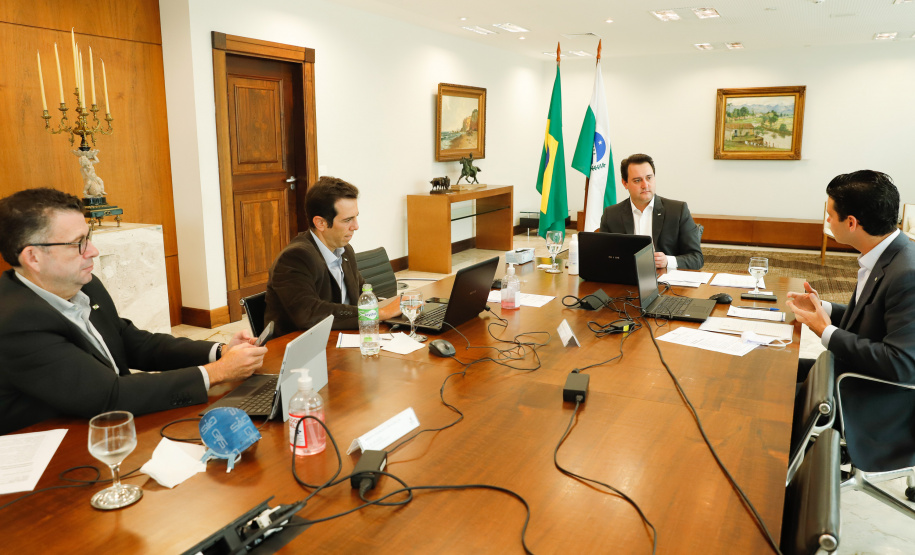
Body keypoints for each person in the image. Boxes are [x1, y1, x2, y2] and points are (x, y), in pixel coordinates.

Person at [0, 188, 268, 435]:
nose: (93, 251)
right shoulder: (15, 321)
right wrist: (218, 372)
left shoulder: (85, 285)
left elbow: (135, 343)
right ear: (33, 257)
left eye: (88, 237)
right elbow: (108, 395)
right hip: (52, 448)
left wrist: (220, 352)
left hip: (106, 426)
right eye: (78, 243)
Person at [787, 170, 915, 470]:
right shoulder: (886, 254)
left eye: (830, 215)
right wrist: (826, 308)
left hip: (880, 400)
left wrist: (825, 330)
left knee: (775, 399)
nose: (827, 222)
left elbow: (901, 364)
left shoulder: (907, 273)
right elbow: (873, 317)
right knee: (774, 366)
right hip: (854, 371)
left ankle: (784, 490)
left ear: (852, 222)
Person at [265, 176, 401, 337]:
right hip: (300, 348)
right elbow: (310, 313)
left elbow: (361, 294)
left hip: (341, 337)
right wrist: (379, 313)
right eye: (347, 220)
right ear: (320, 223)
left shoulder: (345, 250)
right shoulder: (295, 258)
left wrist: (396, 312)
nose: (356, 226)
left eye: (356, 216)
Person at [599, 153, 704, 269]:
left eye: (649, 178)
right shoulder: (611, 215)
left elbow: (697, 258)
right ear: (625, 183)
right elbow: (602, 257)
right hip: (625, 280)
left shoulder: (677, 211)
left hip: (667, 282)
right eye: (637, 180)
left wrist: (668, 261)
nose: (645, 185)